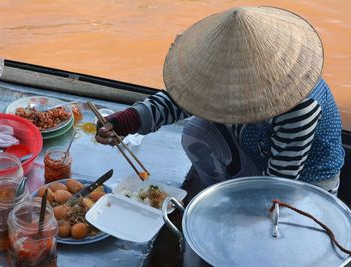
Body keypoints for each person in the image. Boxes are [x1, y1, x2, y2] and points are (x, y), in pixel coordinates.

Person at [96, 6, 345, 199]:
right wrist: (124, 121)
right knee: (196, 130)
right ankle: (225, 191)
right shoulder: (226, 80)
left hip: (304, 184)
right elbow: (181, 98)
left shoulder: (299, 107)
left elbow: (277, 186)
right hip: (258, 150)